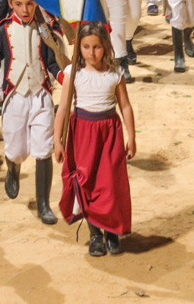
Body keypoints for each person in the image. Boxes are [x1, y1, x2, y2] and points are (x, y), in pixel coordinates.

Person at [0, 0, 64, 225]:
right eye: (19, 4)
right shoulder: (2, 30)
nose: (25, 10)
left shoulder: (45, 29)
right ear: (11, 3)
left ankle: (43, 204)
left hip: (41, 95)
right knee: (17, 149)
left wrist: (66, 77)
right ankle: (13, 167)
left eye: (30, 4)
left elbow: (52, 63)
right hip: (14, 96)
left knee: (43, 150)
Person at [54, 22, 136, 256]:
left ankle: (111, 231)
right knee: (86, 182)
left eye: (97, 47)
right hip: (82, 133)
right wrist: (57, 140)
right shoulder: (73, 73)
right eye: (86, 46)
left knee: (109, 184)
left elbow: (125, 106)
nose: (91, 52)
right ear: (79, 47)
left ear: (106, 47)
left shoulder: (115, 73)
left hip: (109, 133)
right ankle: (95, 235)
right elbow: (63, 108)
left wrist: (131, 137)